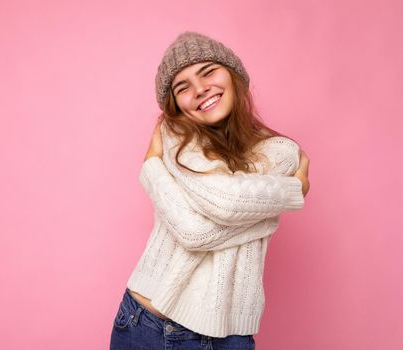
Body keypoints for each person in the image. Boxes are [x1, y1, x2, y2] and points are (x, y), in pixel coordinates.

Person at [109, 31, 310, 350]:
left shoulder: (281, 150)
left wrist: (152, 167)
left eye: (208, 72)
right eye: (182, 87)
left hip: (232, 337)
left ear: (233, 76)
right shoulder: (175, 132)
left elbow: (224, 206)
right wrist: (288, 194)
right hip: (148, 324)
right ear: (174, 104)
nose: (200, 89)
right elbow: (196, 230)